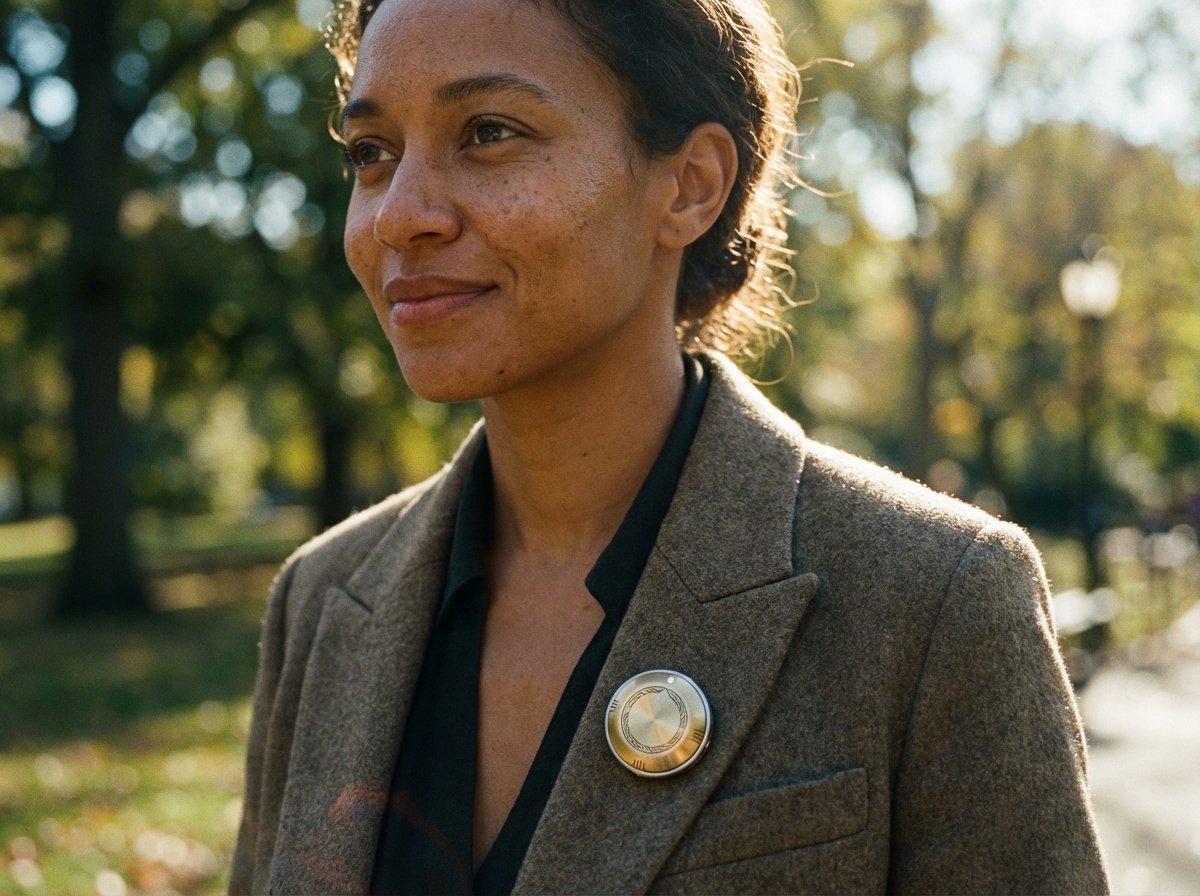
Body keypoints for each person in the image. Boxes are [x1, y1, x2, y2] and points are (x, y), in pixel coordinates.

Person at [230, 0, 1110, 892]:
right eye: (371, 153)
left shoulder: (935, 600)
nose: (398, 215)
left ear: (689, 185)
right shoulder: (319, 600)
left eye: (488, 132)